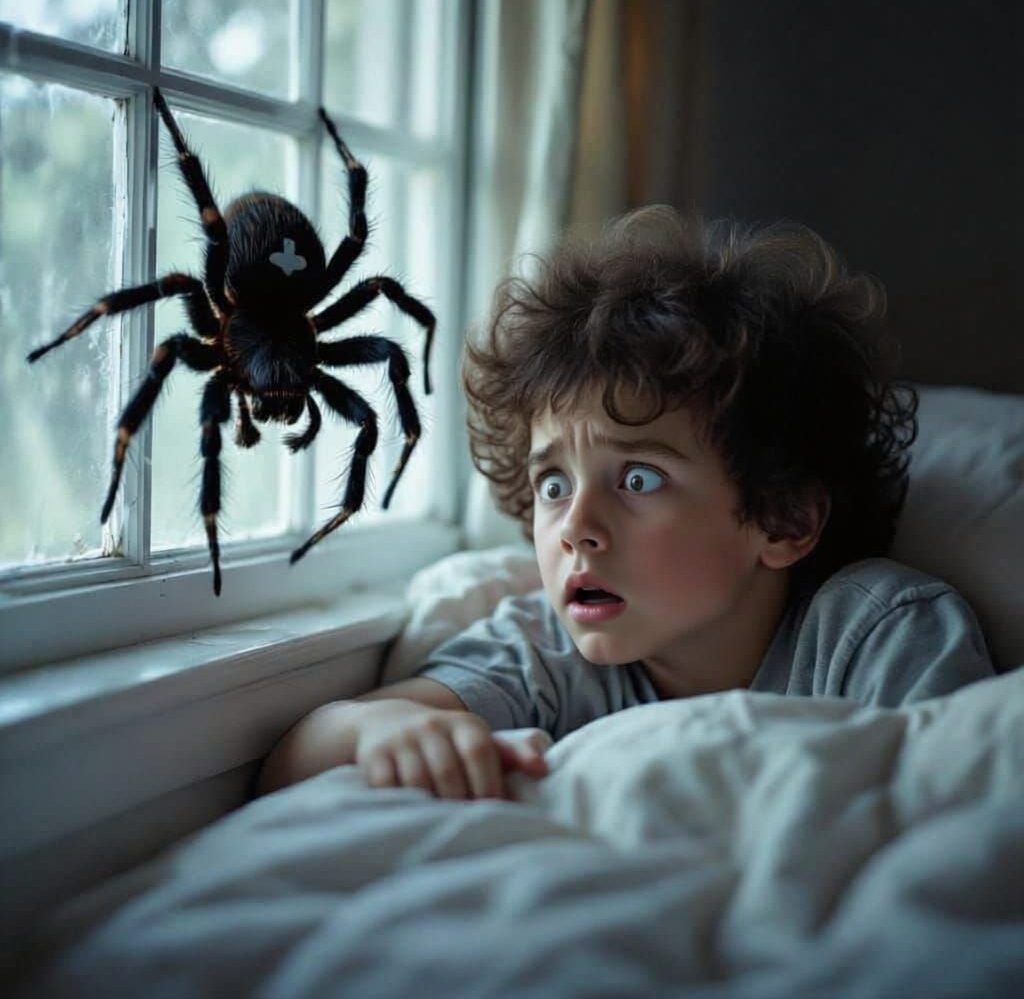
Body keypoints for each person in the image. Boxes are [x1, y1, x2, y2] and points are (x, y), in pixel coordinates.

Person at [257, 205, 996, 801]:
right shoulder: (542, 651)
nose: (575, 527)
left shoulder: (877, 635)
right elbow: (296, 762)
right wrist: (378, 730)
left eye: (638, 479)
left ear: (784, 518)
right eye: (553, 485)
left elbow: (964, 813)